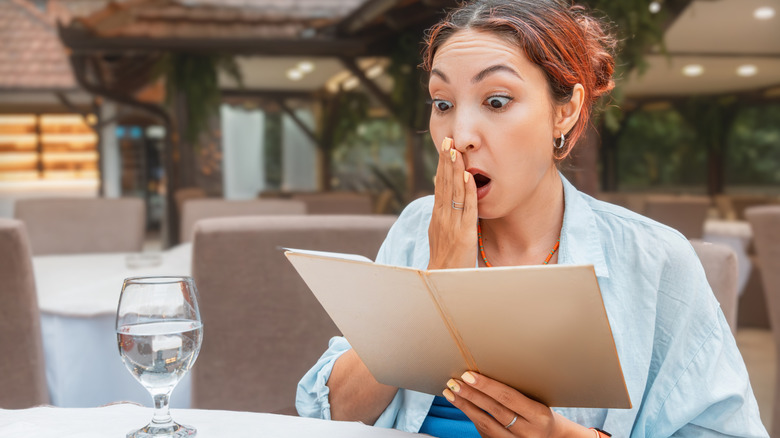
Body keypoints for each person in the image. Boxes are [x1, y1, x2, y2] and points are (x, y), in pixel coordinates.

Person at [296, 0, 768, 436]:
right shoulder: (418, 227)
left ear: (565, 111)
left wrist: (559, 434)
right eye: (443, 104)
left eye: (496, 101)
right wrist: (435, 280)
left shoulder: (654, 258)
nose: (459, 135)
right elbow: (333, 412)